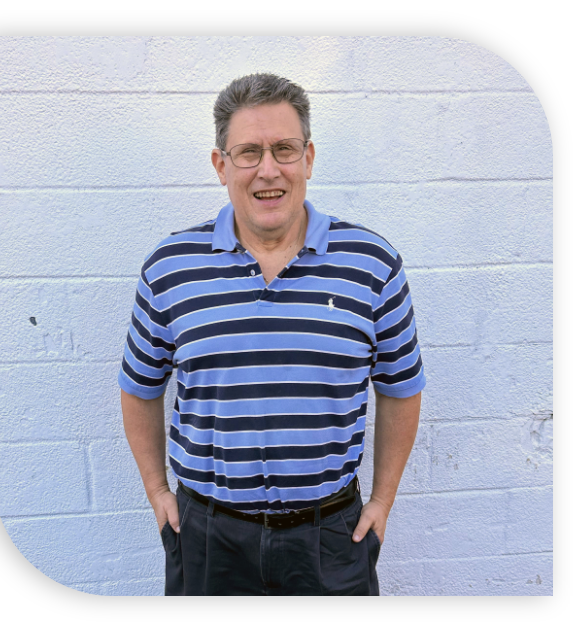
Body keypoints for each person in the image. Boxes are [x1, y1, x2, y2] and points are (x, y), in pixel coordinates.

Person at [119, 73, 425, 596]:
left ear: (308, 158)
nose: (268, 170)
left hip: (330, 536)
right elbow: (139, 388)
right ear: (221, 165)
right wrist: (156, 490)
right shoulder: (170, 267)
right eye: (248, 152)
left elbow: (401, 387)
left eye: (284, 149)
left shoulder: (372, 264)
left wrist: (382, 500)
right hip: (209, 537)